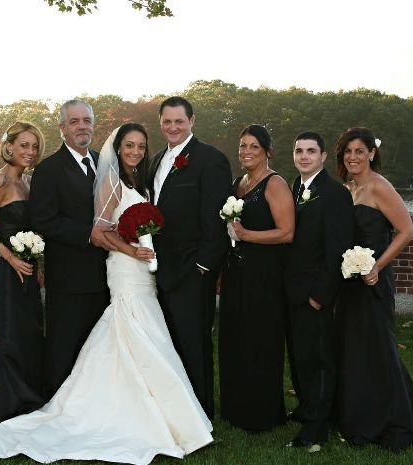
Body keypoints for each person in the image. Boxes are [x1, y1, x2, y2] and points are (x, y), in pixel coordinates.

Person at [0, 123, 213, 464]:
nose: (135, 151)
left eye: (141, 146)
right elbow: (99, 231)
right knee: (131, 329)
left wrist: (142, 243)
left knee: (144, 332)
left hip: (140, 270)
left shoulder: (138, 181)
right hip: (124, 268)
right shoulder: (110, 182)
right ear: (118, 148)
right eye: (128, 145)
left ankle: (157, 405)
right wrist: (132, 251)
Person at [334, 127, 413, 452]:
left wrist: (377, 267)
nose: (353, 157)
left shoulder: (380, 186)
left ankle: (395, 417)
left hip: (373, 282)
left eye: (360, 151)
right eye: (348, 151)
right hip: (348, 282)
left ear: (372, 153)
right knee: (354, 350)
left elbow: (406, 231)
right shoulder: (347, 189)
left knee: (379, 349)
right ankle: (358, 417)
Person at [148, 96, 232, 419]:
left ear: (192, 121)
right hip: (159, 269)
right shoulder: (156, 160)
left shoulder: (210, 159)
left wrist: (203, 266)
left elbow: (216, 219)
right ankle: (175, 411)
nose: (173, 127)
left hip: (193, 271)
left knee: (194, 344)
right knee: (168, 343)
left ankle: (200, 414)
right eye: (167, 122)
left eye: (179, 121)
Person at [28, 99, 111, 401]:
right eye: (74, 121)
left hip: (106, 276)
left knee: (98, 346)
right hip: (68, 277)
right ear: (62, 128)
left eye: (86, 120)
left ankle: (89, 402)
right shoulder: (48, 170)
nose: (81, 126)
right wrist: (88, 235)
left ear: (93, 125)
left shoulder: (105, 163)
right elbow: (44, 220)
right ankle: (57, 403)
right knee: (64, 346)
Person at [218, 124, 295, 432]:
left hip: (264, 275)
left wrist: (247, 235)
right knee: (236, 339)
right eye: (243, 145)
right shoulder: (238, 184)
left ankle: (261, 413)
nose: (246, 151)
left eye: (253, 146)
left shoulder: (274, 184)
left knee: (260, 340)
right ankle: (236, 407)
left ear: (267, 151)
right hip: (236, 273)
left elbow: (287, 233)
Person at [284, 131, 354, 450]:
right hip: (292, 290)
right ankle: (307, 407)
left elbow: (338, 248)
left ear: (323, 156)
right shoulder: (294, 187)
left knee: (319, 361)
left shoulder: (335, 193)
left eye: (311, 151)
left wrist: (320, 296)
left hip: (315, 294)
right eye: (299, 151)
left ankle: (316, 429)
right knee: (300, 357)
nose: (304, 156)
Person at [0, 122, 45, 428]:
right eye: (24, 145)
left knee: (30, 333)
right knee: (11, 335)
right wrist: (10, 257)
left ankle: (28, 393)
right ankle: (12, 399)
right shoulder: (1, 180)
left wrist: (36, 265)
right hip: (7, 270)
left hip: (28, 270)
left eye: (34, 146)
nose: (30, 151)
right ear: (9, 146)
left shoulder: (27, 181)